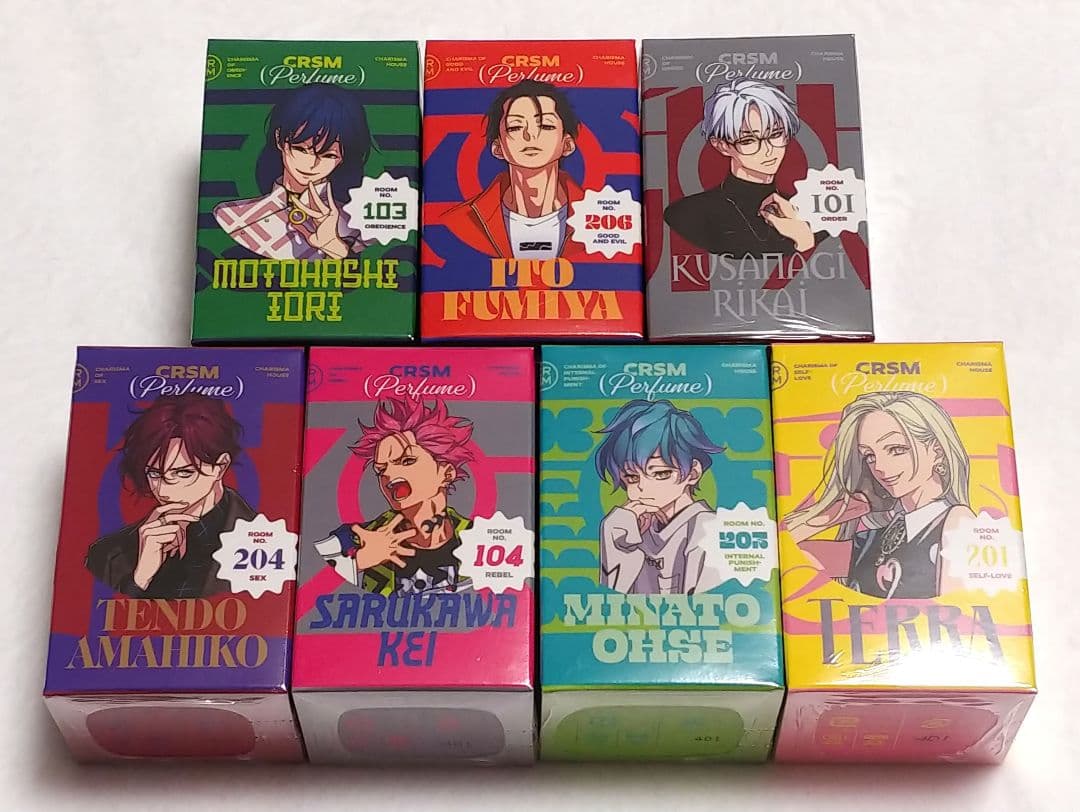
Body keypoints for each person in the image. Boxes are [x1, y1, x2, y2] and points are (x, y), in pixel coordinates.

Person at [783, 391, 975, 599]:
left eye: (896, 449)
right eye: (869, 456)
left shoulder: (958, 521)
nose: (880, 467)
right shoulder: (871, 540)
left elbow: (956, 607)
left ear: (937, 451)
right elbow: (787, 549)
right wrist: (852, 506)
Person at [85, 394, 253, 598]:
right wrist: (141, 577)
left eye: (184, 473)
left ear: (221, 466)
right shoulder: (107, 555)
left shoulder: (262, 541)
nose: (164, 492)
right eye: (155, 474)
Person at [314, 398, 474, 595]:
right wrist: (362, 560)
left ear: (446, 473)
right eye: (381, 470)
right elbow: (310, 575)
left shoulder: (478, 537)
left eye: (407, 461)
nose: (389, 475)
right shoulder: (357, 537)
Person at [213, 84, 372, 261]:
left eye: (328, 155)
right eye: (301, 149)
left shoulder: (361, 228)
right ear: (279, 139)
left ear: (343, 157)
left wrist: (334, 246)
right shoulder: (232, 215)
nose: (311, 164)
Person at [663, 78, 816, 257]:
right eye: (748, 140)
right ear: (722, 145)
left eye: (775, 134)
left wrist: (804, 240)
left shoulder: (809, 213)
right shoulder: (686, 213)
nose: (768, 150)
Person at [594, 399, 726, 595]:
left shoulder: (707, 529)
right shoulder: (632, 527)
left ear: (693, 473)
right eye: (631, 477)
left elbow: (704, 607)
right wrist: (617, 545)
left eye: (660, 473)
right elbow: (610, 600)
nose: (642, 487)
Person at [442, 80, 583, 260]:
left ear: (567, 144)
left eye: (546, 125)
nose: (530, 135)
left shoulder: (596, 217)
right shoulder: (461, 221)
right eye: (515, 127)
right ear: (498, 148)